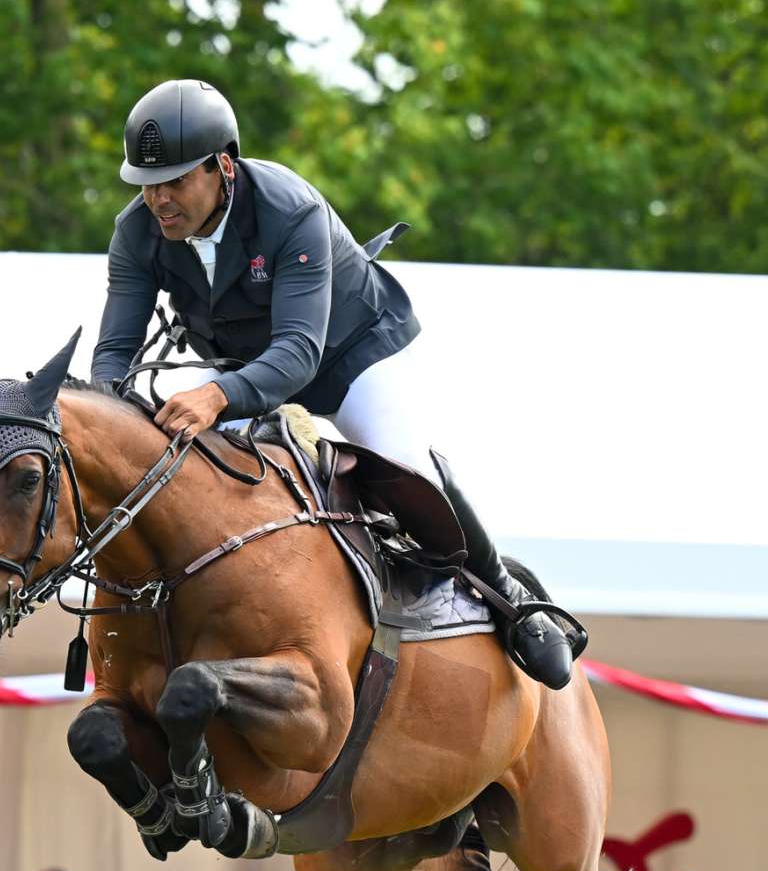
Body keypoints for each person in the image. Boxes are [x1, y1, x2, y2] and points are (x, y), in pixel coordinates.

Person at [92, 78, 580, 688]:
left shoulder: (289, 210)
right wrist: (107, 421)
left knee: (404, 466)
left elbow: (298, 353)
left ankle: (511, 601)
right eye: (147, 184)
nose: (158, 199)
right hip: (239, 368)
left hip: (346, 356)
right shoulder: (135, 231)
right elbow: (115, 350)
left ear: (223, 166)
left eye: (175, 182)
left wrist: (216, 396)